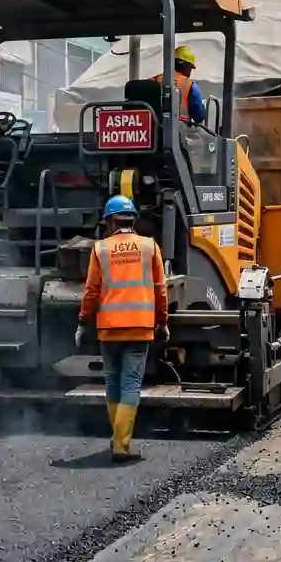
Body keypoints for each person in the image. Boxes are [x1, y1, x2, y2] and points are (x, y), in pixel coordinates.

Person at [76, 195, 169, 462]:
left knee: (112, 381)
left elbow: (91, 290)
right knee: (130, 383)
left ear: (109, 221)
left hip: (109, 329)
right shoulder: (150, 247)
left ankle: (117, 438)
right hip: (139, 327)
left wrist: (83, 321)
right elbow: (160, 289)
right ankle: (121, 444)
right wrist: (162, 321)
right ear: (133, 220)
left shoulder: (100, 249)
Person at [150, 45, 208, 126]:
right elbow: (199, 116)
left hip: (152, 131)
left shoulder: (152, 80)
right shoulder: (190, 85)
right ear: (186, 66)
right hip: (180, 133)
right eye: (190, 68)